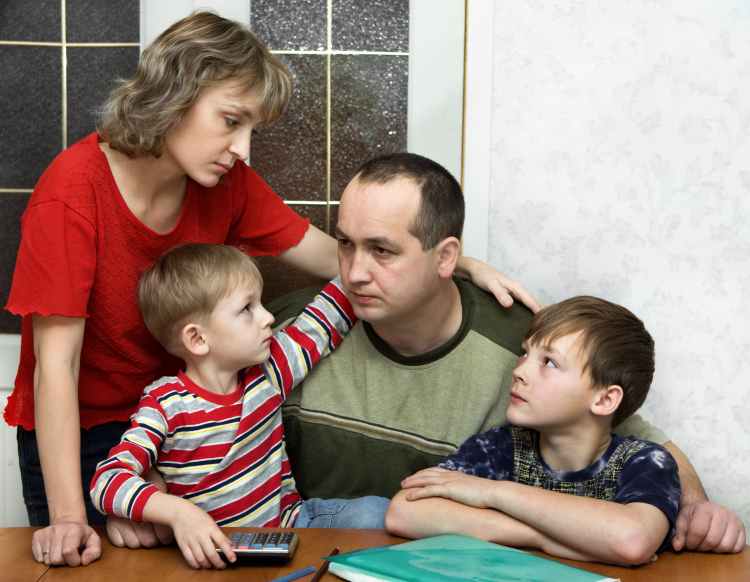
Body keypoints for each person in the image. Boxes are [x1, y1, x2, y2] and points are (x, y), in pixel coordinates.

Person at [4, 12, 531, 568]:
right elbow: (55, 368)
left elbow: (336, 258)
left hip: (187, 426)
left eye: (250, 128)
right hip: (82, 434)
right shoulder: (71, 194)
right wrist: (70, 516)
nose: (242, 148)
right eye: (231, 121)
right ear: (173, 95)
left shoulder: (224, 183)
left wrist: (448, 262)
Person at [272, 152, 746, 554]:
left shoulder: (521, 344)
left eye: (382, 250)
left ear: (446, 257)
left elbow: (629, 434)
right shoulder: (295, 331)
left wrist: (697, 510)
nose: (353, 273)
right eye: (345, 244)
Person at [89, 244, 388, 569]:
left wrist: (368, 262)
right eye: (247, 308)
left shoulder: (268, 373)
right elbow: (108, 481)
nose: (268, 317)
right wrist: (178, 514)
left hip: (292, 528)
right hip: (210, 552)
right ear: (198, 339)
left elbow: (323, 320)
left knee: (377, 514)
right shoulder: (165, 405)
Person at [386, 296, 686, 565]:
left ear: (604, 400)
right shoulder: (500, 447)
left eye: (549, 363)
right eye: (525, 353)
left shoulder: (644, 461)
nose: (519, 371)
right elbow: (404, 512)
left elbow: (631, 541)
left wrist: (492, 493)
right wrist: (544, 537)